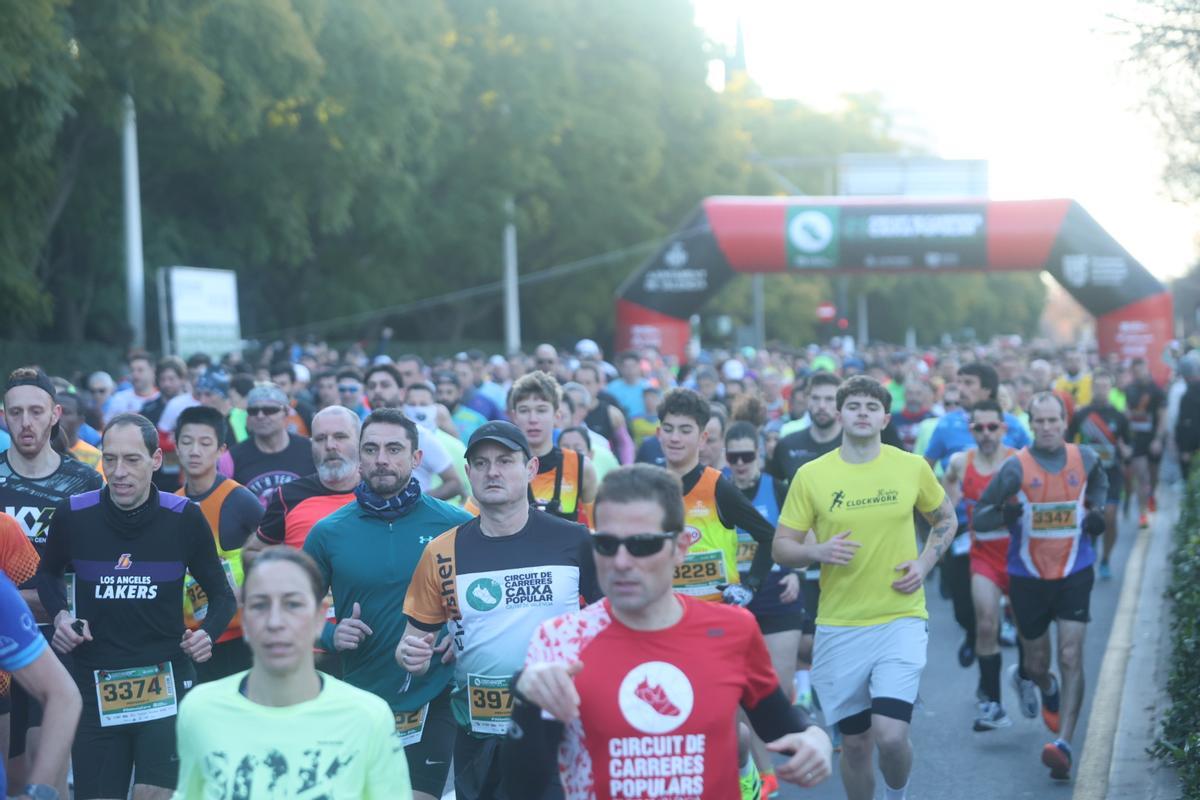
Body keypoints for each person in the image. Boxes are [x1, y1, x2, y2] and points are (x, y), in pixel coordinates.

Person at [501, 464, 832, 799]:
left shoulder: (732, 629)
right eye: (605, 544)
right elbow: (520, 788)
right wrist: (526, 703)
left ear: (681, 547)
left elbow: (778, 721)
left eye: (642, 545)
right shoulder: (559, 639)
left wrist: (814, 735)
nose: (621, 562)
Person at [772, 375, 957, 800]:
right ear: (839, 415)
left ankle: (898, 793)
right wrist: (816, 552)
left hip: (901, 617)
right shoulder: (812, 475)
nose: (862, 413)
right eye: (853, 406)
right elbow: (782, 547)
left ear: (884, 418)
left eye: (871, 408)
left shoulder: (911, 467)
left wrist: (925, 562)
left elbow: (946, 520)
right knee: (855, 745)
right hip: (839, 624)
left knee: (890, 736)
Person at [37, 412, 236, 800]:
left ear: (156, 460)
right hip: (95, 679)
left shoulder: (183, 518)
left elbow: (223, 594)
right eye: (110, 459)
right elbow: (47, 576)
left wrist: (207, 635)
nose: (119, 471)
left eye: (132, 460)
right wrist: (61, 614)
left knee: (153, 794)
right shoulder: (74, 515)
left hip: (164, 676)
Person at [398, 421, 602, 800]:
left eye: (505, 461)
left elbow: (614, 625)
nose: (493, 471)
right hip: (478, 738)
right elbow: (412, 642)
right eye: (481, 463)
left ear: (531, 469)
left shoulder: (574, 541)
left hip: (559, 733)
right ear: (468, 473)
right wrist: (411, 653)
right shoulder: (443, 551)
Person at [303, 408, 472, 800]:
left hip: (435, 693)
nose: (382, 459)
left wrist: (460, 634)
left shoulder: (455, 524)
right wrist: (329, 632)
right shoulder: (329, 532)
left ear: (416, 458)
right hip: (361, 694)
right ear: (359, 458)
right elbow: (292, 611)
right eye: (372, 449)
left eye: (394, 449)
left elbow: (482, 603)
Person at [174, 547, 412, 799]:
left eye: (293, 604)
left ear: (320, 617)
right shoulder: (201, 710)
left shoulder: (368, 717)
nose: (275, 621)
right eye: (260, 605)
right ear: (244, 618)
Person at [975, 392, 1108, 780]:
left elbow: (1100, 484)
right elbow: (979, 517)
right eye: (1040, 421)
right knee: (1037, 665)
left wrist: (1096, 512)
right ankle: (1044, 687)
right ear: (1030, 424)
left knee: (1070, 655)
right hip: (1028, 578)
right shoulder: (1015, 468)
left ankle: (1063, 745)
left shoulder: (1085, 458)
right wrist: (1005, 513)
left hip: (1074, 571)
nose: (1048, 427)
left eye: (1054, 420)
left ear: (1065, 422)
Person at [1, 368, 103, 796]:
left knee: (50, 775)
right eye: (16, 412)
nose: (26, 422)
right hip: (7, 646)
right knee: (15, 779)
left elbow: (96, 571)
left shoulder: (84, 482)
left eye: (36, 412)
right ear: (3, 417)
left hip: (61, 643)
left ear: (55, 414)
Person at [925, 362, 1031, 669]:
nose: (961, 388)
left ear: (988, 389)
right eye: (958, 382)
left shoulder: (1011, 425)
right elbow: (924, 468)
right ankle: (972, 633)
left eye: (969, 382)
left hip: (1004, 528)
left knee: (1009, 607)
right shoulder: (944, 425)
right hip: (958, 527)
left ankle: (1006, 657)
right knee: (962, 608)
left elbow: (1035, 470)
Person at [723, 421, 805, 799]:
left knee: (776, 688)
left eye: (747, 456)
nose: (740, 464)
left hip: (775, 594)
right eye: (733, 457)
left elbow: (807, 537)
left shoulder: (780, 488)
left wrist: (797, 573)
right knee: (737, 698)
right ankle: (760, 775)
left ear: (760, 453)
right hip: (731, 599)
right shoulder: (718, 487)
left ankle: (760, 769)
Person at [655, 389, 775, 604]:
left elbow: (769, 537)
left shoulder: (717, 486)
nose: (674, 438)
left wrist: (750, 586)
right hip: (665, 613)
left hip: (716, 614)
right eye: (668, 429)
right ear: (658, 434)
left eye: (685, 430)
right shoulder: (647, 487)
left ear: (702, 439)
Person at [941, 400, 1017, 731]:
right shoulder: (961, 461)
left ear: (1003, 428)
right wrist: (948, 513)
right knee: (986, 624)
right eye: (979, 428)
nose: (986, 434)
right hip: (983, 552)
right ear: (971, 430)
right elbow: (948, 485)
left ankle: (1028, 675)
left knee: (1030, 635)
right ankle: (993, 704)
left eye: (992, 427)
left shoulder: (1018, 462)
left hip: (1018, 555)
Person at [175, 406, 264, 682]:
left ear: (221, 450)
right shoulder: (172, 503)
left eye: (205, 443)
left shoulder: (240, 499)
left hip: (239, 637)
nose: (194, 451)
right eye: (187, 442)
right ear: (176, 447)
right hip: (191, 640)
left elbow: (276, 554)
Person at [0, 570, 82, 800]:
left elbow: (64, 696)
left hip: (52, 639)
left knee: (34, 754)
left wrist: (37, 793)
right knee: (16, 769)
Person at [244, 405, 361, 553]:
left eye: (340, 436)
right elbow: (252, 552)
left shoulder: (381, 491)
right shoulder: (288, 495)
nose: (330, 445)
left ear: (360, 441)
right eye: (320, 439)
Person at [505, 372, 597, 524]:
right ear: (514, 416)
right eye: (524, 410)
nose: (533, 419)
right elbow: (471, 519)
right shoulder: (501, 466)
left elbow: (596, 527)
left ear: (557, 415)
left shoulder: (580, 466)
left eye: (541, 410)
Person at [363, 364, 463, 500]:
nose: (377, 391)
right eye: (372, 386)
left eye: (385, 385)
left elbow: (454, 483)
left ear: (401, 393)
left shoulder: (419, 435)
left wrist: (414, 505)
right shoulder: (360, 433)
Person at [1066, 370, 1130, 579]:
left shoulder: (1119, 416)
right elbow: (1067, 441)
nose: (1101, 390)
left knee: (1110, 518)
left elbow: (1129, 444)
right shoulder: (1081, 414)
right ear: (1092, 388)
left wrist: (1127, 450)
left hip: (1112, 474)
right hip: (1086, 476)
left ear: (1110, 389)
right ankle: (1089, 550)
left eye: (1105, 386)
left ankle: (1106, 559)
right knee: (1088, 518)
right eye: (1098, 386)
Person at [229, 383, 315, 506]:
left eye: (269, 410)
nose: (260, 416)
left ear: (286, 412)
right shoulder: (233, 458)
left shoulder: (310, 450)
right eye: (253, 411)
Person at [1124, 357, 1165, 527]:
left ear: (1146, 369)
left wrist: (1158, 439)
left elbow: (1163, 417)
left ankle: (1152, 494)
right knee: (1141, 475)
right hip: (1136, 439)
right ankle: (1143, 514)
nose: (1138, 374)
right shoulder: (1129, 389)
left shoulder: (1156, 390)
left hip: (1152, 437)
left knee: (1153, 475)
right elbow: (1127, 413)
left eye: (1140, 369)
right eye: (1135, 371)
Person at [104, 351, 160, 424]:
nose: (135, 374)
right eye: (132, 370)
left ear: (152, 371)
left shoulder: (161, 398)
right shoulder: (119, 398)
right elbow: (106, 427)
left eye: (140, 370)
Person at [435, 370, 488, 443]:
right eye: (440, 392)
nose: (444, 397)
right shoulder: (429, 419)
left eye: (449, 392)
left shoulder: (476, 420)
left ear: (460, 393)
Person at [55, 392, 101, 472]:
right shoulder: (37, 450)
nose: (58, 417)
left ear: (80, 421)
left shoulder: (95, 456)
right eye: (55, 411)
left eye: (65, 412)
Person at [270, 361, 316, 437]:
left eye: (283, 384)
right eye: (274, 384)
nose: (278, 388)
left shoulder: (306, 411)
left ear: (293, 384)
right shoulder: (263, 411)